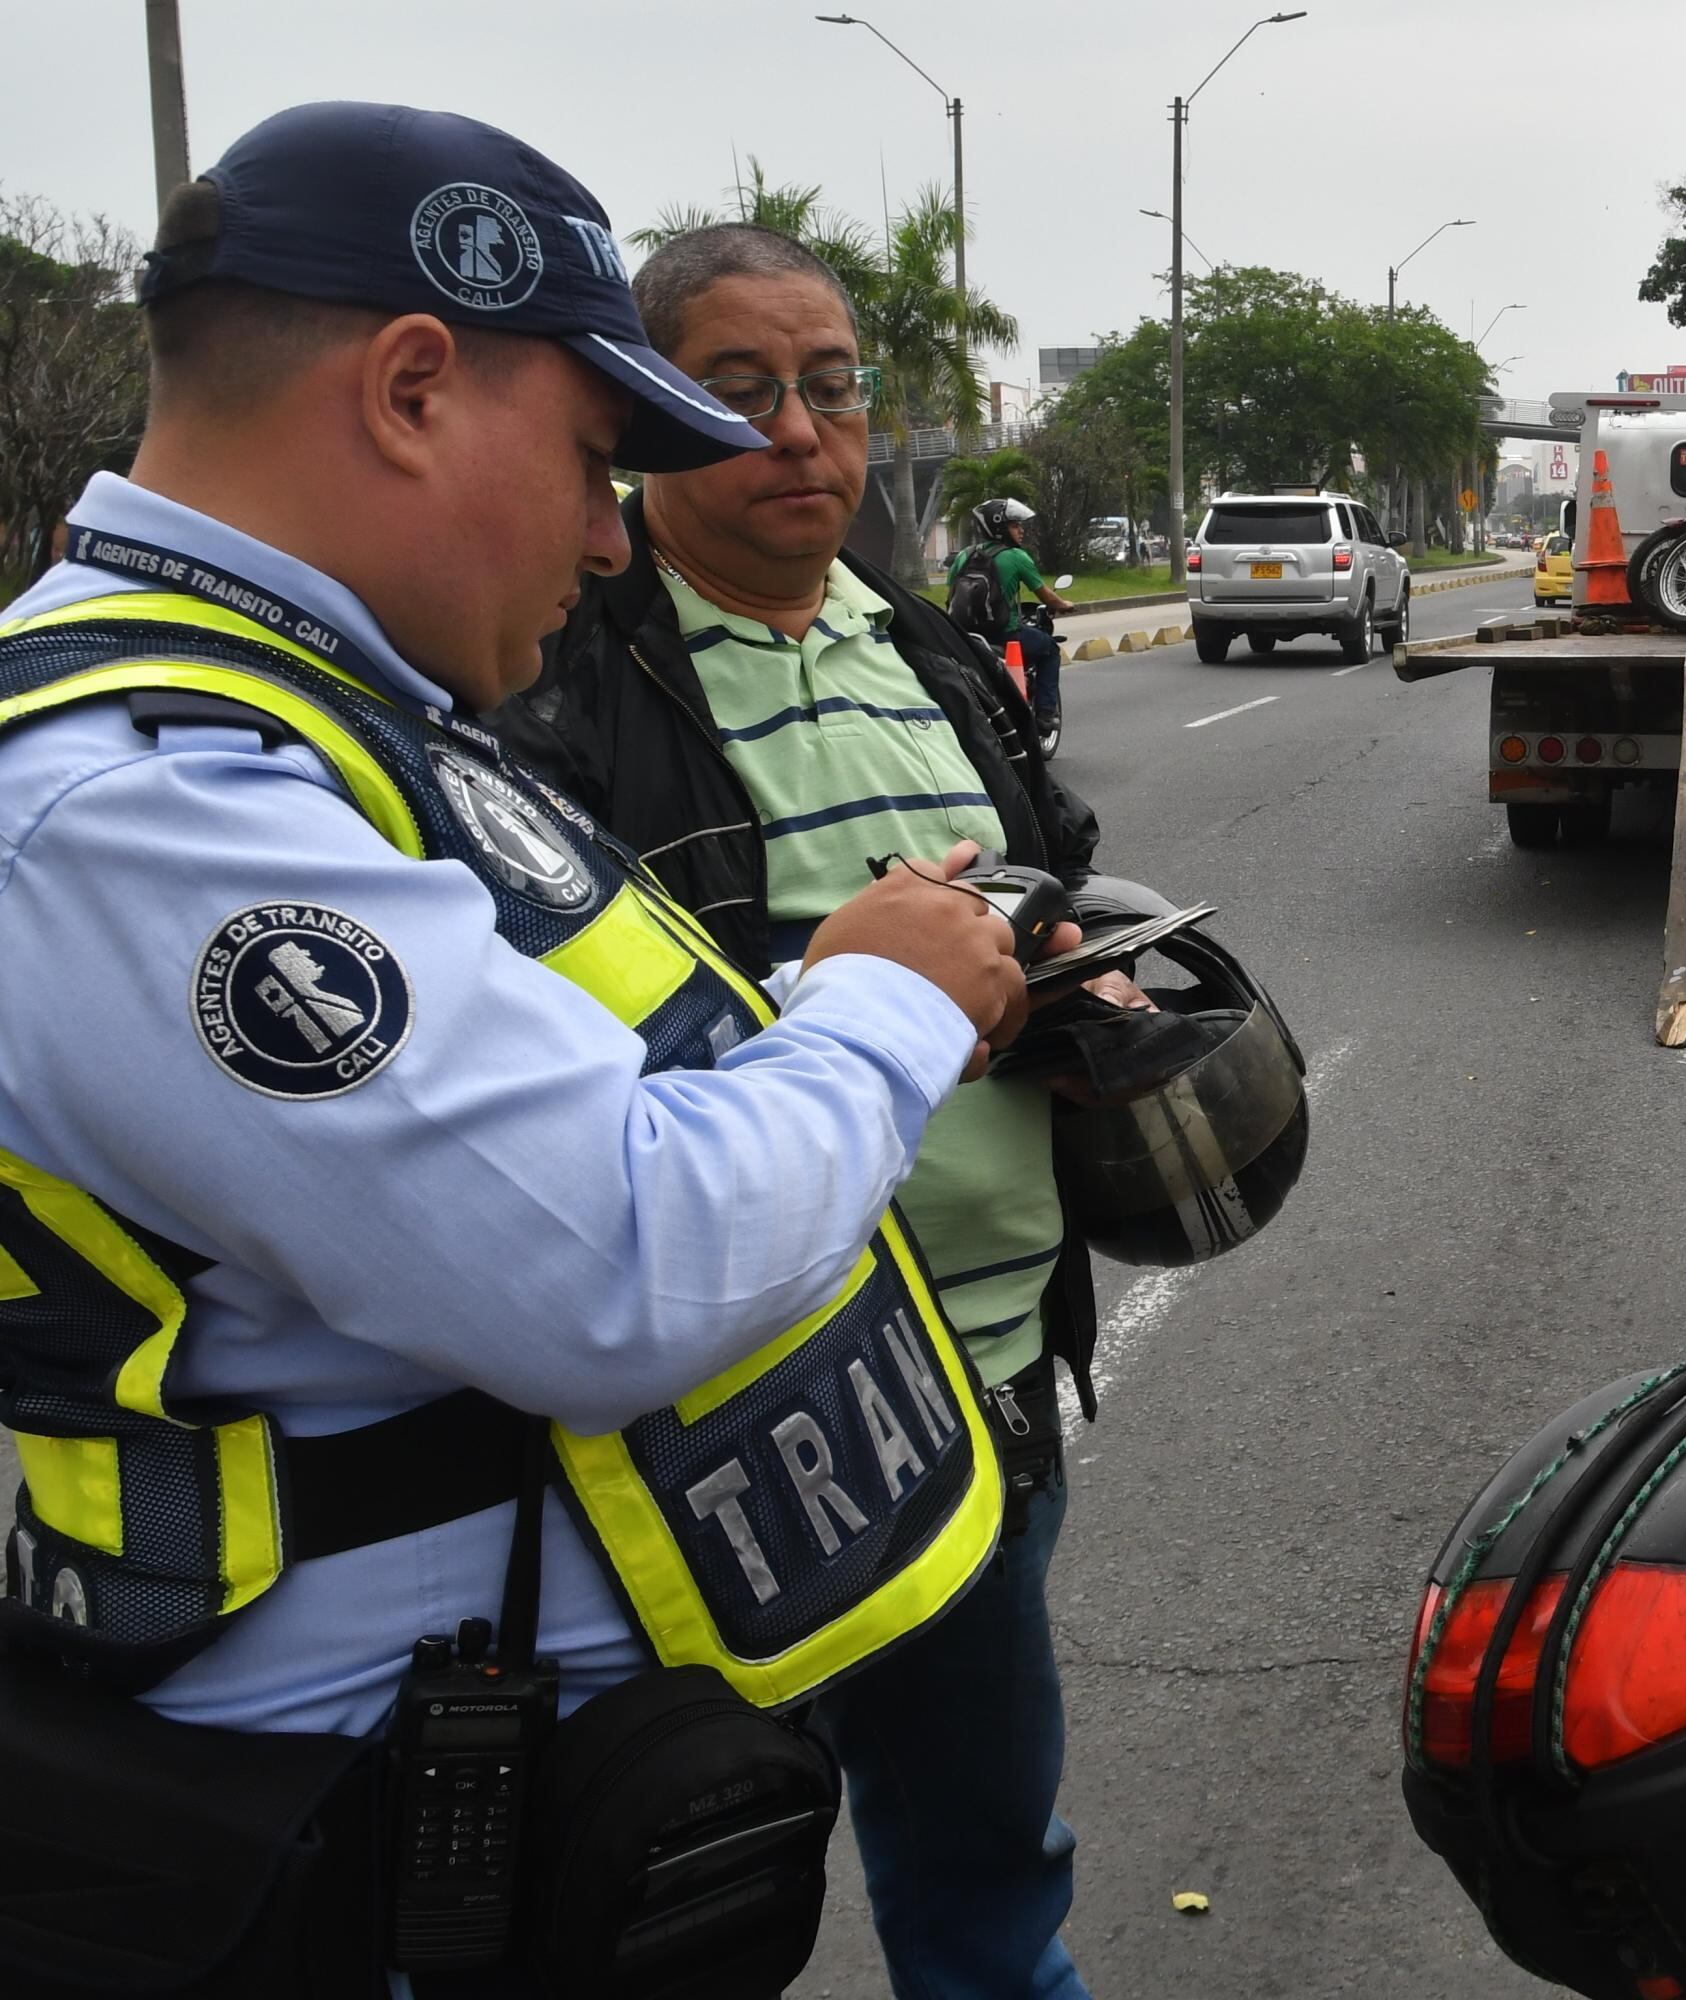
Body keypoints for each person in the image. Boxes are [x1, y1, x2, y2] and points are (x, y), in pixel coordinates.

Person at [0, 102, 1055, 1986]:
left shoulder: (321, 712)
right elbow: (613, 1258)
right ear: (411, 387)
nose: (601, 531)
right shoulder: (146, 799)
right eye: (589, 460)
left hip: (499, 1814)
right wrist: (884, 997)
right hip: (341, 1850)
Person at [498, 222, 1107, 2000]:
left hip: (986, 1388)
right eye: (738, 394)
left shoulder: (930, 650)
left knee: (992, 1868)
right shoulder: (562, 672)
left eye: (828, 392)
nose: (797, 439)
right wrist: (869, 996)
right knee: (672, 1890)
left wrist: (1084, 990)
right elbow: (538, 1046)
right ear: (649, 418)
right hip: (722, 1423)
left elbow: (1055, 878)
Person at [953, 496, 1070, 751]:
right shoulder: (1017, 557)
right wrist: (1064, 605)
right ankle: (1045, 715)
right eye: (1015, 525)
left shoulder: (963, 556)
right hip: (1007, 637)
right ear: (1000, 528)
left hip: (965, 638)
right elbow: (1044, 594)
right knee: (1050, 649)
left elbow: (950, 597)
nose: (1021, 529)